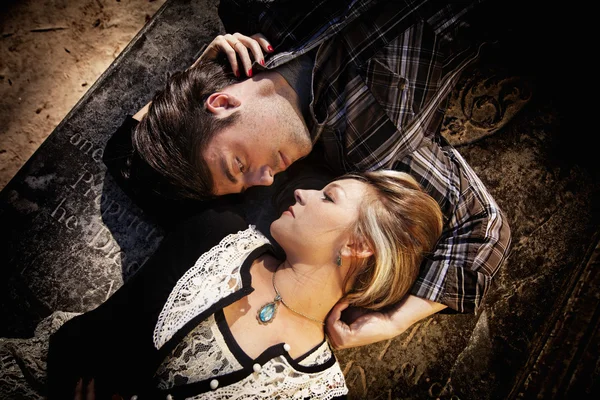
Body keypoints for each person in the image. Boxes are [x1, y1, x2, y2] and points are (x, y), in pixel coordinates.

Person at [103, 0, 512, 350]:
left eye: (240, 165)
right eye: (247, 182)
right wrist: (394, 321)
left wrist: (199, 69)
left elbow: (125, 150)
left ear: (222, 101)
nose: (264, 180)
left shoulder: (254, 10)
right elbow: (484, 228)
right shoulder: (374, 145)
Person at [44, 170, 443, 399]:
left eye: (327, 197)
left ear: (358, 245)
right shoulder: (218, 235)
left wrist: (396, 322)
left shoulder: (318, 392)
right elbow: (88, 338)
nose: (301, 191)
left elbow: (487, 232)